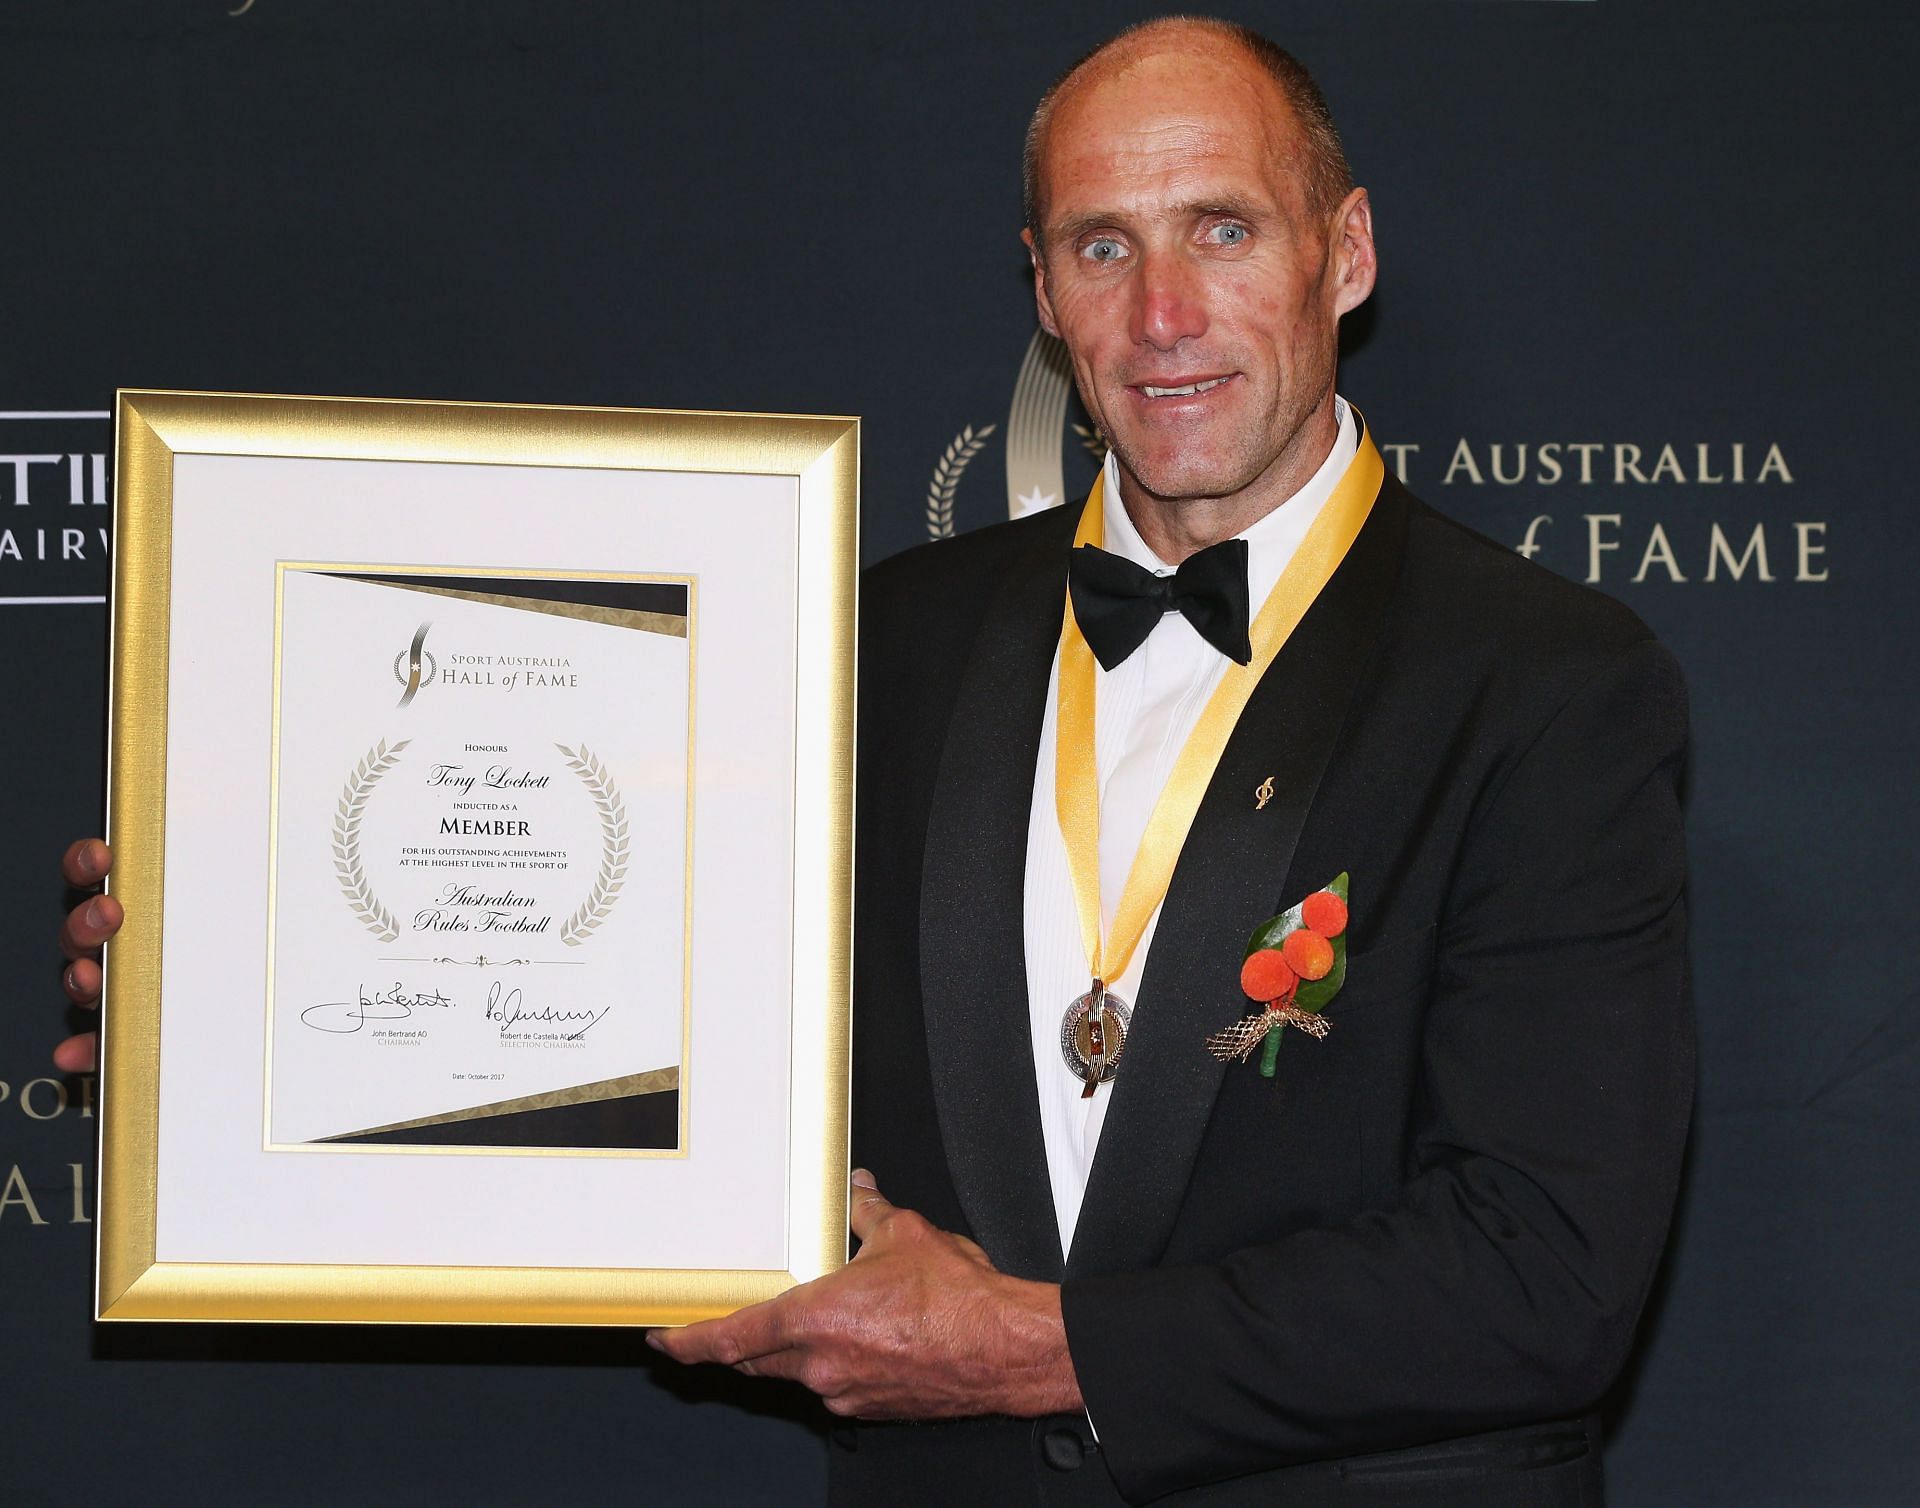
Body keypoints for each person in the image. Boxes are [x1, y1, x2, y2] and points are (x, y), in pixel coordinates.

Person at [58, 17, 1692, 1506]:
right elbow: (577, 963)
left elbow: (1545, 1276)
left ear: (1344, 254)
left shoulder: (1548, 684)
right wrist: (227, 995)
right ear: (1044, 294)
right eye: (1101, 246)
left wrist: (1039, 1348)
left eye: (1224, 228)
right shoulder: (868, 643)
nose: (1165, 312)